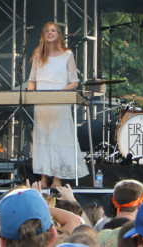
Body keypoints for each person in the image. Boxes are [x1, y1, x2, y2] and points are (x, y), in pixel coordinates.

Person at [26, 22, 89, 187]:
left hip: (59, 104)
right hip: (42, 105)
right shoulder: (38, 56)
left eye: (53, 30)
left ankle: (57, 179)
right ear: (43, 35)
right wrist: (31, 93)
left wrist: (59, 92)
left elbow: (74, 82)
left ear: (58, 34)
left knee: (57, 139)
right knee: (43, 139)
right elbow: (31, 80)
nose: (50, 33)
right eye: (47, 31)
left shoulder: (67, 55)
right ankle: (44, 178)